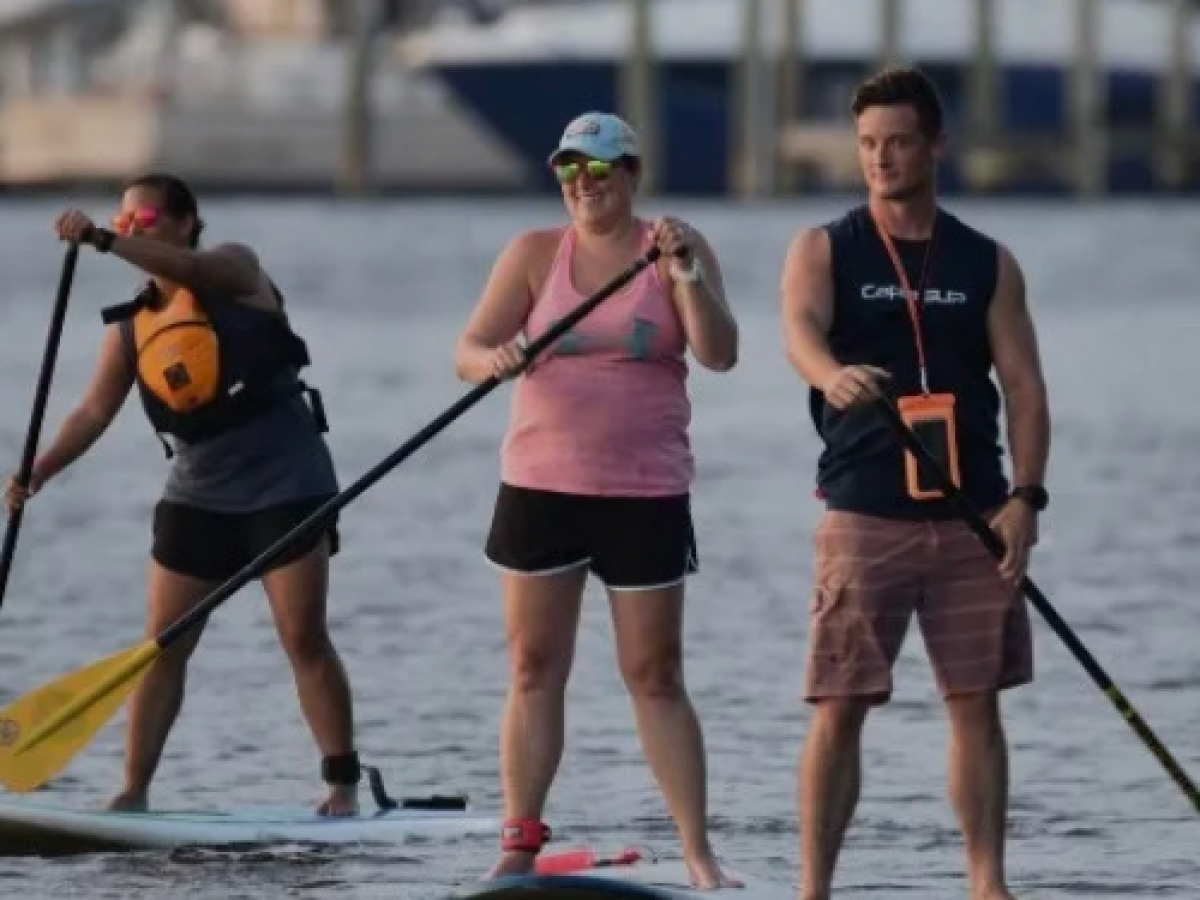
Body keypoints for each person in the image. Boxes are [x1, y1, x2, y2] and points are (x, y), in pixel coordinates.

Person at [3, 173, 361, 817]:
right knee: (162, 643)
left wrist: (106, 240)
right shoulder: (133, 325)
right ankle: (133, 791)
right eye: (123, 218)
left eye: (142, 220)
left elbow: (190, 266)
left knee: (301, 637)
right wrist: (40, 469)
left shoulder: (236, 270)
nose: (129, 228)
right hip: (198, 494)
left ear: (184, 221)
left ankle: (340, 784)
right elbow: (91, 413)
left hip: (287, 483)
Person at [779, 68, 1051, 900]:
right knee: (840, 705)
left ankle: (986, 885)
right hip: (865, 510)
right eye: (867, 144)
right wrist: (830, 376)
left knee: (976, 704)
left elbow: (1026, 389)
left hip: (974, 514)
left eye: (898, 142)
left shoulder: (986, 260)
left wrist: (1026, 502)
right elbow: (798, 328)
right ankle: (814, 889)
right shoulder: (826, 246)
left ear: (936, 146)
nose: (881, 158)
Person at [454, 111, 740, 886]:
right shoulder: (532, 255)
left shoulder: (674, 246)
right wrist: (496, 361)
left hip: (645, 491)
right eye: (571, 172)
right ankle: (519, 843)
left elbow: (719, 353)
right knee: (534, 665)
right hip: (540, 486)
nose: (585, 184)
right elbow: (466, 352)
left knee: (654, 673)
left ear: (632, 175)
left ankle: (697, 852)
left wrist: (683, 275)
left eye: (601, 169)